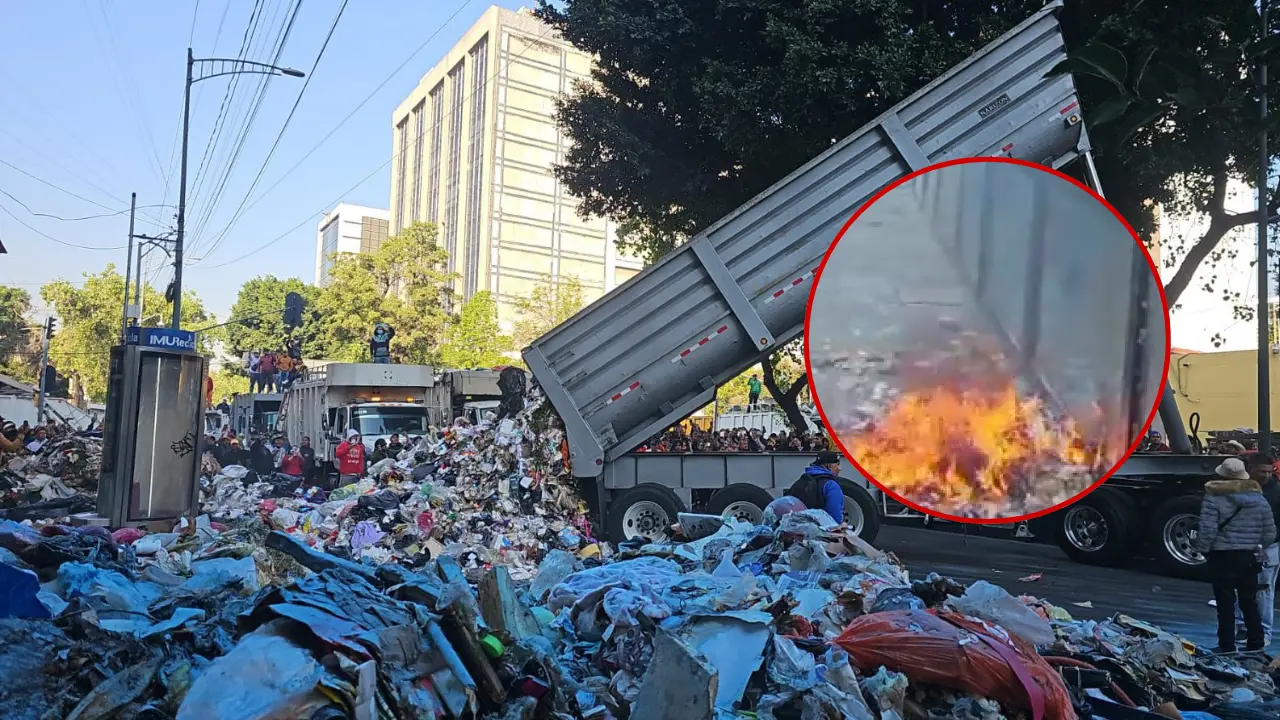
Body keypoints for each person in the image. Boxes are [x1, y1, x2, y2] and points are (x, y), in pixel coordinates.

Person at [1195, 457, 1277, 652]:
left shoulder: (1213, 498)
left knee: (1225, 604)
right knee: (1249, 602)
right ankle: (1256, 642)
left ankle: (1227, 645)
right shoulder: (1258, 498)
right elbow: (1270, 533)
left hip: (1222, 556)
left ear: (1221, 475)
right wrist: (1257, 546)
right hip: (1249, 557)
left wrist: (1203, 550)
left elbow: (1207, 530)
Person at [1245, 453, 1280, 646]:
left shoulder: (1276, 492)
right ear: (1251, 470)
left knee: (1264, 590)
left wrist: (1270, 540)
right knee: (1246, 588)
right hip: (1248, 544)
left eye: (1269, 471)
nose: (1266, 475)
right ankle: (1247, 628)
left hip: (1269, 546)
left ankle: (1265, 632)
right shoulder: (1248, 489)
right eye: (1262, 472)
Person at [785, 450, 846, 524]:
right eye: (837, 464)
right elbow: (835, 516)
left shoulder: (803, 480)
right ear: (829, 465)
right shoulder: (831, 485)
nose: (839, 468)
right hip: (821, 528)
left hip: (797, 526)